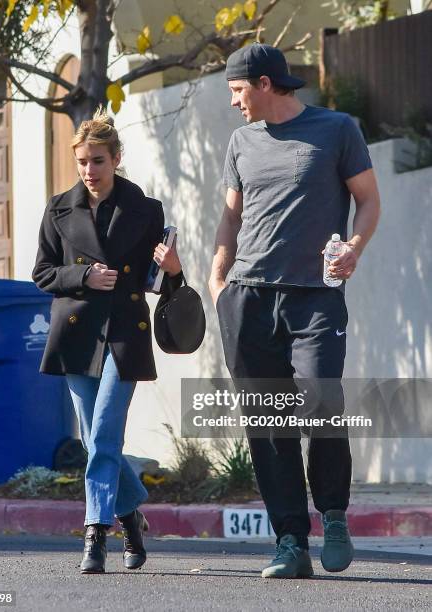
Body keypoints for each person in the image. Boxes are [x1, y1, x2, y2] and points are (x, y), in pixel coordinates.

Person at [209, 44, 380, 578]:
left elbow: (369, 200)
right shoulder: (241, 141)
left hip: (315, 296)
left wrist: (354, 247)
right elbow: (231, 218)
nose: (234, 103)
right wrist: (218, 279)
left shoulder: (337, 129)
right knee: (268, 422)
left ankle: (332, 513)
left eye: (237, 92)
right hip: (249, 296)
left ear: (263, 84)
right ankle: (289, 542)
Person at [32, 108, 182, 574]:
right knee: (100, 439)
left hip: (124, 335)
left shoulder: (145, 210)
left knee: (104, 433)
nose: (89, 171)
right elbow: (42, 274)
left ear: (116, 158)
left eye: (97, 160)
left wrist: (174, 268)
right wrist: (83, 275)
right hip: (77, 336)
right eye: (82, 162)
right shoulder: (58, 209)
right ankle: (132, 518)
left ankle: (95, 534)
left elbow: (162, 283)